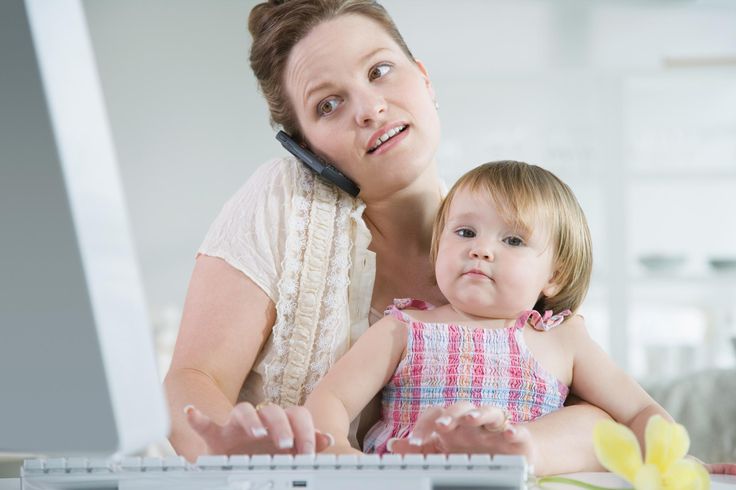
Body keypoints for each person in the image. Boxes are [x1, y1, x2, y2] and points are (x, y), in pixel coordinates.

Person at [163, 0, 610, 473]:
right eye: (328, 104)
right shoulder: (283, 200)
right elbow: (192, 380)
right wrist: (240, 466)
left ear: (425, 79)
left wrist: (511, 452)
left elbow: (599, 413)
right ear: (307, 151)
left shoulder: (505, 240)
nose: (370, 109)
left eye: (379, 70)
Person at [304, 161, 672, 473]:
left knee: (595, 423)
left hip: (526, 474)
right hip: (418, 470)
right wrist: (336, 452)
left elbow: (638, 410)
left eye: (513, 240)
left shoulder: (563, 338)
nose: (480, 249)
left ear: (554, 275)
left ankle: (517, 451)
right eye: (465, 232)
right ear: (438, 249)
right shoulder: (405, 328)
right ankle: (470, 453)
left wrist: (676, 464)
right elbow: (332, 398)